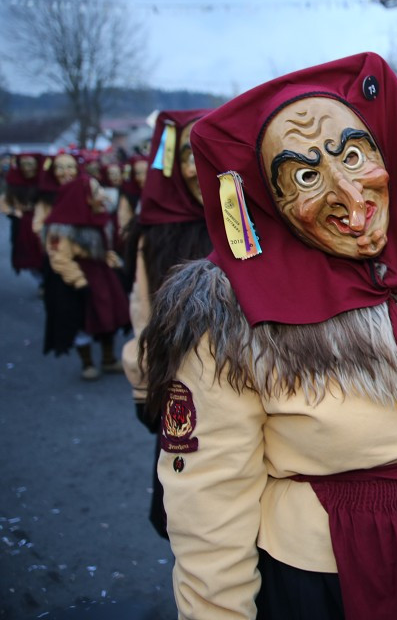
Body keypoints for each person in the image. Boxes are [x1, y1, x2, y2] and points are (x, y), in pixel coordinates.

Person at [141, 53, 397, 619]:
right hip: (333, 578)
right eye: (305, 175)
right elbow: (209, 501)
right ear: (269, 199)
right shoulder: (227, 320)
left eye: (352, 155)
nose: (349, 193)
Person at [121, 109, 213, 539]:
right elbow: (144, 312)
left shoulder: (251, 219)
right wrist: (144, 384)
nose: (199, 168)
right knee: (192, 519)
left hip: (258, 388)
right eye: (188, 156)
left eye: (208, 152)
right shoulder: (153, 234)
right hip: (185, 391)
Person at [41, 173, 129, 380]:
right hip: (79, 279)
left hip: (101, 274)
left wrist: (111, 258)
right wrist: (78, 281)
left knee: (110, 316)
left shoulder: (98, 217)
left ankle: (108, 359)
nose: (101, 194)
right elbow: (59, 257)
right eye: (95, 191)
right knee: (83, 322)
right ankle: (87, 363)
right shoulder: (61, 227)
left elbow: (103, 247)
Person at [2, 153, 45, 279]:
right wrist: (16, 212)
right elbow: (5, 204)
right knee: (28, 255)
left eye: (31, 164)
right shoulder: (13, 185)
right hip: (22, 225)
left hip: (42, 222)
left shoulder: (43, 183)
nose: (27, 168)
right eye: (24, 165)